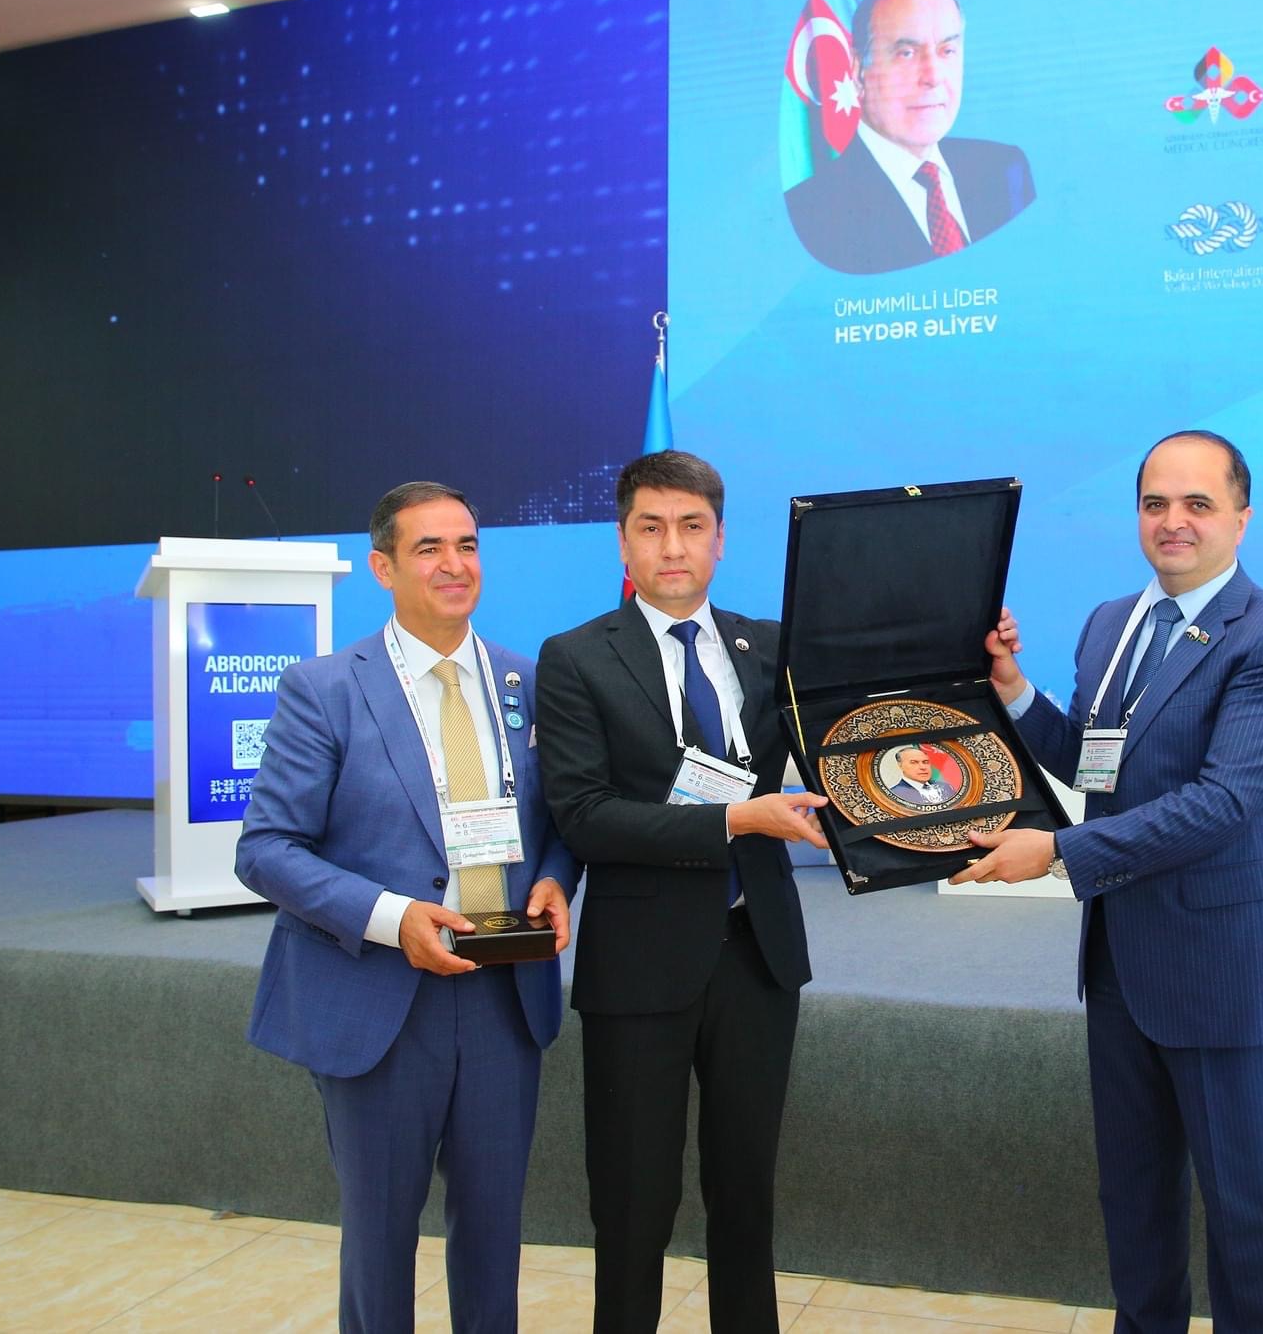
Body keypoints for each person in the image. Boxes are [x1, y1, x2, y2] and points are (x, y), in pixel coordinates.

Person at [956, 431, 1263, 1333]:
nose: (1174, 522)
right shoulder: (1110, 622)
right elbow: (1093, 763)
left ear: (1242, 517)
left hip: (1224, 971)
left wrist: (1057, 851)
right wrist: (1012, 690)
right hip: (1121, 963)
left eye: (1198, 503)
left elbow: (1221, 804)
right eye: (1156, 503)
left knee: (1244, 1215)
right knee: (1134, 1198)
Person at [236, 481, 574, 1332]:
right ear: (383, 567)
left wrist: (555, 879)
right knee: (381, 1238)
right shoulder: (324, 688)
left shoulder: (526, 682)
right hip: (381, 1000)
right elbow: (266, 848)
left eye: (467, 545)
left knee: (493, 1233)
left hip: (503, 996)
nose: (455, 564)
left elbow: (561, 820)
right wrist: (393, 918)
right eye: (429, 548)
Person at [534, 450, 829, 1334]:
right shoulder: (576, 657)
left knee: (746, 1198)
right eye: (652, 527)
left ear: (720, 539)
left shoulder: (770, 647)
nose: (673, 547)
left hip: (758, 954)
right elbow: (586, 816)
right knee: (633, 1206)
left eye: (692, 526)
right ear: (623, 541)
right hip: (640, 967)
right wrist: (738, 819)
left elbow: (846, 735)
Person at [784, 0, 1035, 275]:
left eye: (947, 50)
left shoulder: (1005, 170)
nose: (933, 76)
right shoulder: (814, 211)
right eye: (906, 53)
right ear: (858, 70)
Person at [886, 745, 953, 805]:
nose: (923, 767)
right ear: (900, 765)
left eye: (925, 762)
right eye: (914, 762)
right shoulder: (894, 794)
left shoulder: (946, 787)